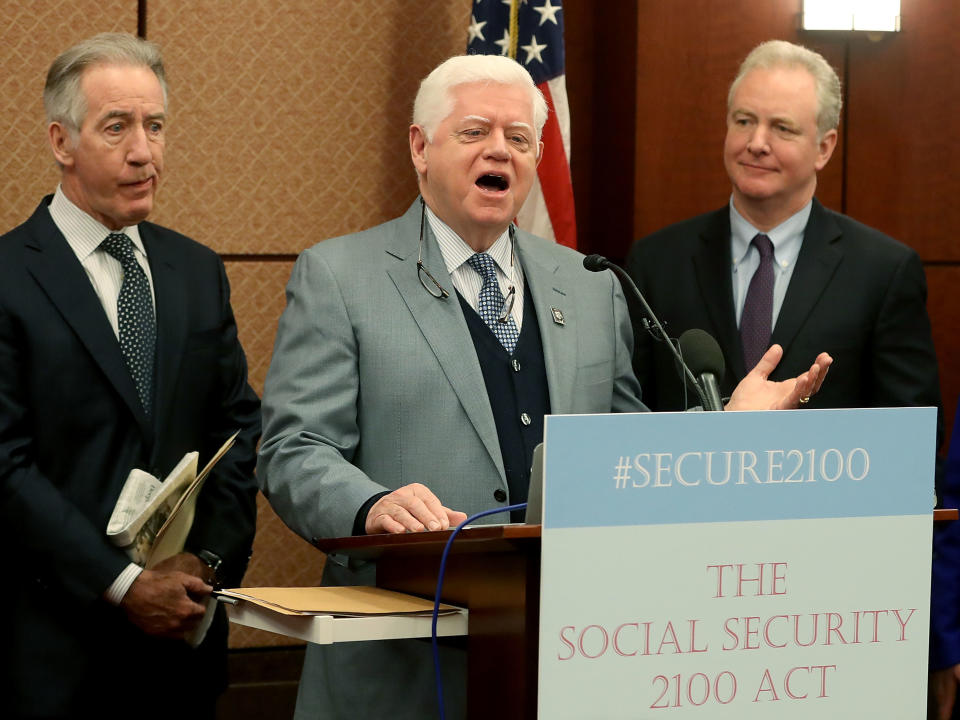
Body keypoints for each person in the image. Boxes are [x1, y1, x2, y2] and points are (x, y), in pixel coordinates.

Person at [257, 54, 830, 719]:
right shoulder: (341, 276)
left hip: (565, 659)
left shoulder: (590, 285)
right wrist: (370, 504)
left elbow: (624, 456)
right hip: (400, 661)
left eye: (519, 139)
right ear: (420, 146)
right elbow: (293, 448)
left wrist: (722, 430)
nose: (499, 149)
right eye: (474, 131)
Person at [0, 33, 261, 717]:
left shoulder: (196, 272)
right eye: (116, 127)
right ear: (62, 142)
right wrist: (120, 583)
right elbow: (5, 465)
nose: (143, 151)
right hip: (51, 662)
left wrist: (204, 563)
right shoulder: (7, 278)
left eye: (155, 126)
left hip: (179, 660)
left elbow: (237, 430)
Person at [625, 40, 940, 419]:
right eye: (743, 121)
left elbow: (909, 438)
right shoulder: (655, 263)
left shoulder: (883, 272)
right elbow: (628, 414)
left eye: (782, 128)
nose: (756, 143)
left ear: (824, 148)